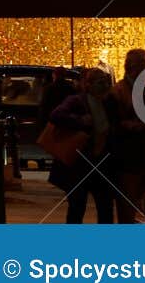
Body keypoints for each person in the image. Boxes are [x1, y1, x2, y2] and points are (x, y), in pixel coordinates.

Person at [48, 68, 120, 223]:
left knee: (105, 207)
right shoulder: (77, 101)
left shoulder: (109, 103)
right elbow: (56, 115)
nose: (104, 85)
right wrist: (79, 120)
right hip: (80, 164)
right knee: (77, 206)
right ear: (88, 84)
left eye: (106, 81)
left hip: (101, 163)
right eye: (100, 81)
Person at [112, 48, 145, 220]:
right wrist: (132, 126)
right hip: (129, 159)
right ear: (133, 68)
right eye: (144, 66)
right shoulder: (118, 92)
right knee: (128, 208)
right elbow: (113, 125)